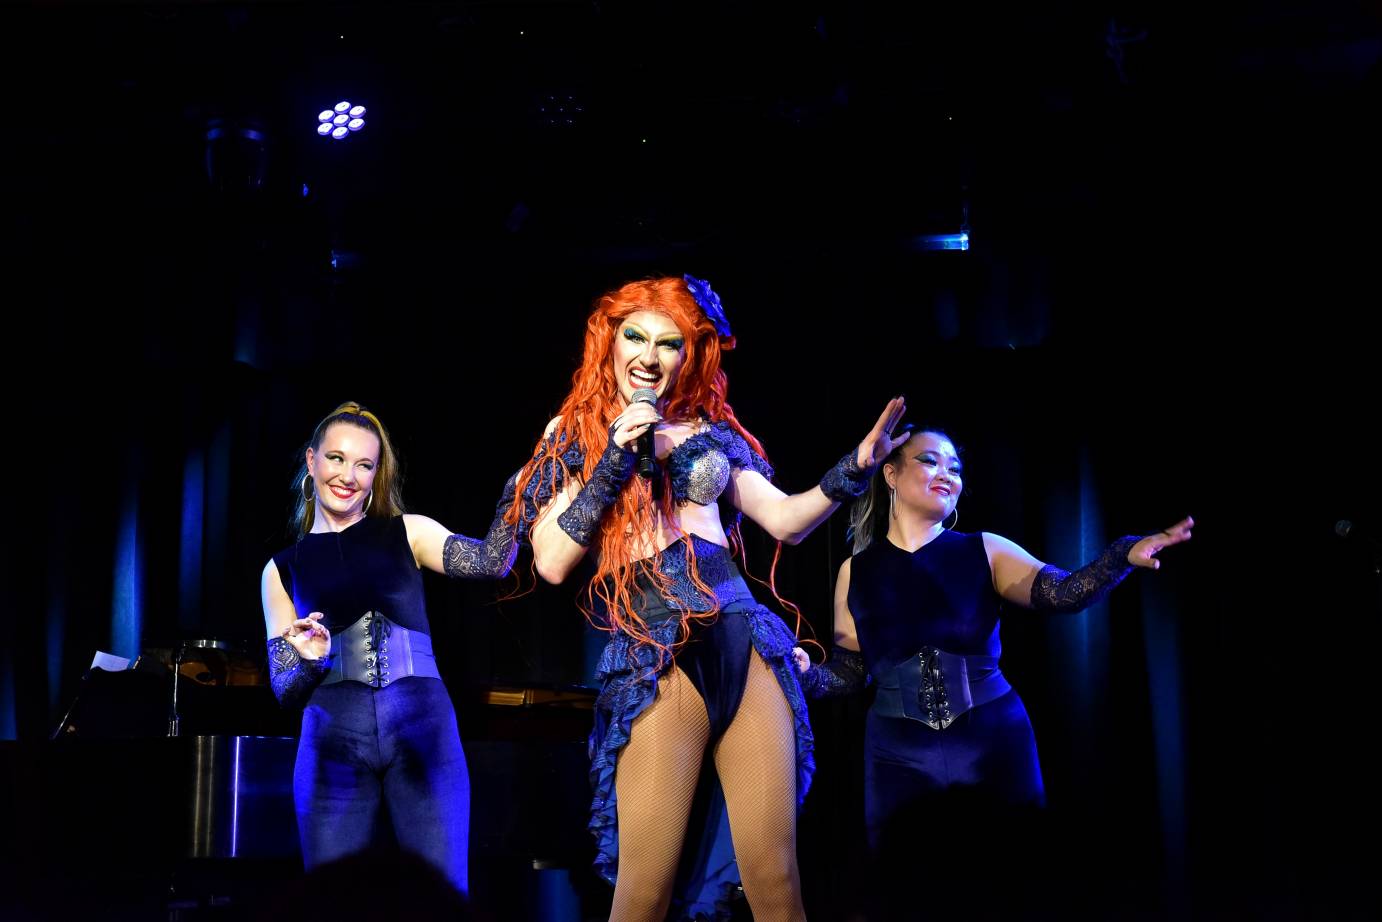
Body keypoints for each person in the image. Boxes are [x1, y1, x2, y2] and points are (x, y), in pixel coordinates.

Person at [507, 275, 908, 921]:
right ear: (607, 342)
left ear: (689, 355)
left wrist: (857, 465)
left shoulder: (708, 430)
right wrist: (614, 457)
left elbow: (785, 520)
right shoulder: (575, 431)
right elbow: (551, 562)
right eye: (634, 337)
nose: (649, 355)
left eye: (668, 343)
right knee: (643, 891)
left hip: (743, 640)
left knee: (775, 879)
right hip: (658, 648)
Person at [796, 428, 1192, 914]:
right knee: (905, 893)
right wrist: (807, 674)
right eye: (931, 461)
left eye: (956, 467)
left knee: (1011, 886)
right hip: (897, 756)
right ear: (892, 474)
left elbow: (1062, 592)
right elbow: (852, 670)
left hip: (992, 742)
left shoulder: (982, 549)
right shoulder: (855, 571)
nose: (947, 474)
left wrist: (1121, 555)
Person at [260, 401, 518, 896]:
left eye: (364, 465)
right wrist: (311, 663)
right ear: (311, 461)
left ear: (377, 475)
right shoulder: (281, 568)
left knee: (443, 897)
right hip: (331, 742)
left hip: (424, 733)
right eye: (336, 459)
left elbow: (492, 562)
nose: (348, 476)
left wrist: (521, 489)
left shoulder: (408, 531)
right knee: (329, 904)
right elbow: (283, 689)